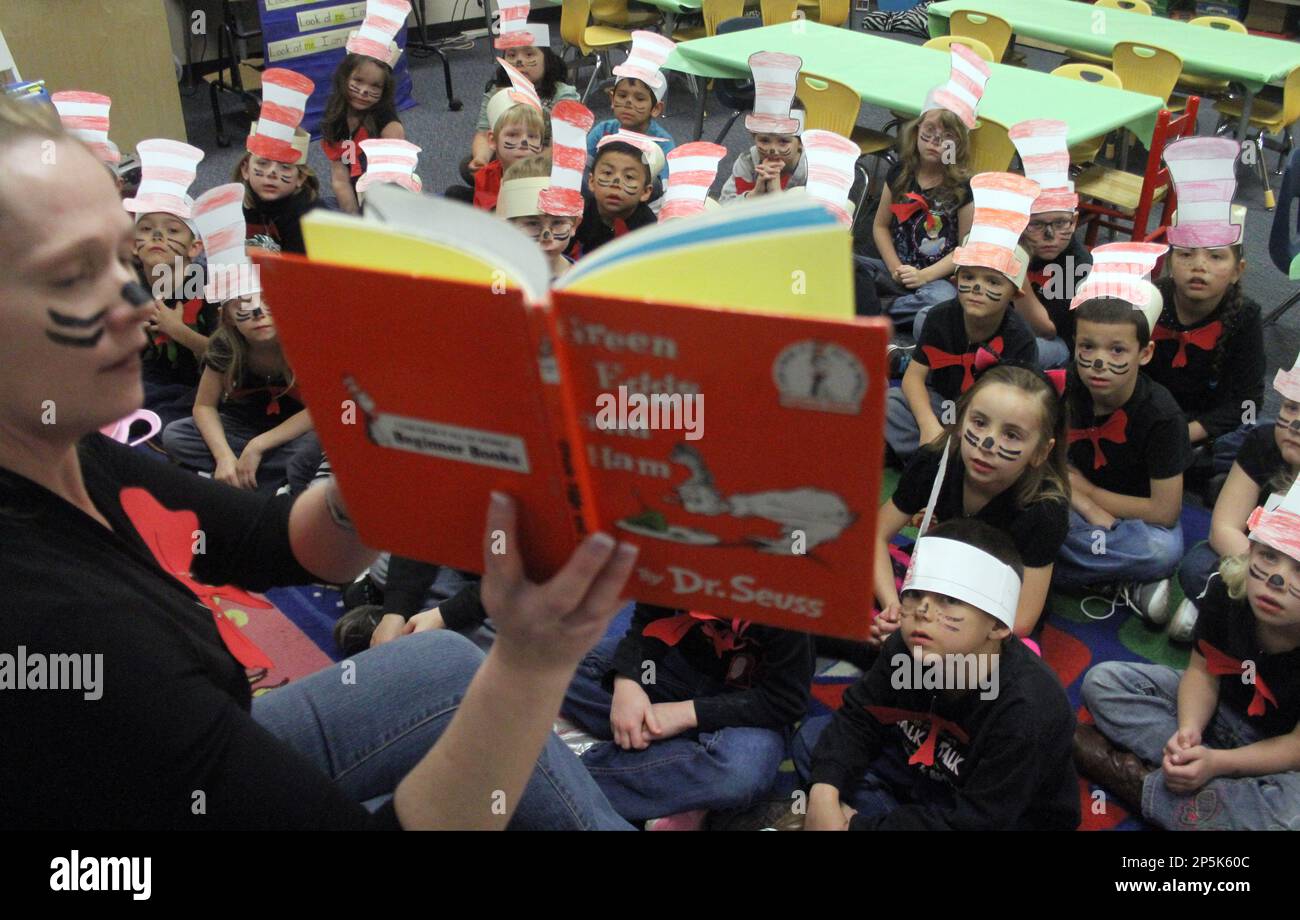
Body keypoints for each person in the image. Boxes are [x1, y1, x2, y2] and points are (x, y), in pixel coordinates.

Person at [0, 91, 636, 831]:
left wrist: (393, 444)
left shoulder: (57, 450)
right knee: (494, 683)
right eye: (73, 276)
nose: (140, 299)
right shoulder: (61, 631)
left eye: (122, 253)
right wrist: (534, 664)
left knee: (446, 667)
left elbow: (284, 540)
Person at [793, 519, 1080, 831]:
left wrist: (856, 827)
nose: (922, 612)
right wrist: (823, 793)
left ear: (997, 626)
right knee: (814, 743)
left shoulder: (1026, 712)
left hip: (1002, 813)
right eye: (915, 594)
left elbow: (980, 821)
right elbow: (859, 716)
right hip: (925, 772)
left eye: (950, 599)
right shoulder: (909, 645)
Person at [1077, 477, 1300, 831]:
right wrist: (1188, 732)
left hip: (1277, 752)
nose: (1275, 579)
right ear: (1251, 549)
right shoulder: (1227, 591)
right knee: (1103, 682)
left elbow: (1295, 746)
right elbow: (1201, 673)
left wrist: (1219, 763)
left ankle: (1141, 784)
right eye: (1269, 555)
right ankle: (1204, 793)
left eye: (1299, 569)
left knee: (1290, 818)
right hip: (1218, 713)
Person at [874, 365, 1070, 644]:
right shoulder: (934, 462)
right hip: (934, 580)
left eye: (1011, 435)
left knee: (1010, 660)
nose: (988, 443)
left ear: (1041, 452)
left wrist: (934, 629)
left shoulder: (1045, 510)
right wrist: (894, 609)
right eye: (979, 422)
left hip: (991, 607)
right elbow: (875, 537)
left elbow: (1022, 620)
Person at [1054, 245, 1189, 622]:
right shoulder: (1066, 386)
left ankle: (1047, 567)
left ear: (1144, 353)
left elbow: (1164, 511)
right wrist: (1083, 502)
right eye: (1087, 347)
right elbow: (1038, 457)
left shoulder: (1162, 416)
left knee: (1163, 550)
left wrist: (1093, 495)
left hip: (1134, 521)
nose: (1099, 363)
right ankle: (1123, 580)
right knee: (1030, 503)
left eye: (1117, 350)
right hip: (1071, 503)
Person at [161, 186, 314, 493]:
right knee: (176, 436)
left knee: (318, 446)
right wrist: (224, 457)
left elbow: (322, 408)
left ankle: (249, 480)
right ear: (228, 315)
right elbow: (204, 407)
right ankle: (254, 478)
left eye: (266, 300)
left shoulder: (303, 340)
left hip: (292, 432)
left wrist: (258, 446)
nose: (257, 312)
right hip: (243, 426)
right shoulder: (225, 344)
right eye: (241, 304)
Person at [885, 172, 1039, 462]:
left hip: (987, 426)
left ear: (1014, 294)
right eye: (969, 277)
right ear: (956, 280)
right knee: (890, 403)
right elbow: (913, 380)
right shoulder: (942, 316)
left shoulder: (1021, 340)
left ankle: (934, 461)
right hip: (942, 405)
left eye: (994, 282)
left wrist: (966, 434)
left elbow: (1016, 414)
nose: (978, 288)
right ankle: (938, 458)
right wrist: (928, 425)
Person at [1147, 137, 1264, 477]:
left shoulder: (1245, 316)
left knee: (1257, 441)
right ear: (1169, 262)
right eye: (1186, 255)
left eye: (1216, 257)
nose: (1200, 266)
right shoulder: (1154, 300)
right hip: (1152, 415)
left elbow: (1248, 403)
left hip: (1206, 425)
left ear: (1236, 271)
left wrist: (1187, 433)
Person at [1170, 351, 1300, 642]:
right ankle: (1229, 611)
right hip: (1249, 559)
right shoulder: (1264, 443)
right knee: (1197, 566)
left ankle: (1219, 609)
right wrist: (1261, 580)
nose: (1295, 425)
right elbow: (1224, 528)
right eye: (1291, 408)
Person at [856, 45, 984, 331]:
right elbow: (880, 227)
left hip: (935, 280)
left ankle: (871, 311)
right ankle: (877, 309)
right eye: (927, 135)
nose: (933, 144)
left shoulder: (963, 188)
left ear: (958, 145)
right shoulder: (900, 172)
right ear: (916, 133)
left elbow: (966, 249)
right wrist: (893, 268)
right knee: (844, 263)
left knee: (943, 303)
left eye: (945, 139)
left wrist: (924, 276)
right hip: (895, 271)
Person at [125, 138, 215, 429]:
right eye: (147, 229)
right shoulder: (131, 285)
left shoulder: (207, 289)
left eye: (173, 230)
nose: (158, 237)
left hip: (205, 386)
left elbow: (230, 358)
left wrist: (177, 331)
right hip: (155, 376)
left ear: (194, 248)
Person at [463, 9, 578, 189]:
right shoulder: (497, 91)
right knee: (467, 167)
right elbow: (485, 133)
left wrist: (527, 166)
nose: (519, 61)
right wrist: (481, 159)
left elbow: (563, 146)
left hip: (547, 160)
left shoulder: (563, 94)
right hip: (509, 155)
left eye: (529, 54)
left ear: (546, 60)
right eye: (511, 55)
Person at [1008, 118, 1089, 369]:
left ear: (1074, 221)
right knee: (930, 316)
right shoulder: (1016, 242)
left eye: (1061, 223)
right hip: (1006, 325)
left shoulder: (1078, 264)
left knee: (1021, 351)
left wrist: (1016, 275)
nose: (1050, 235)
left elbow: (1047, 329)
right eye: (1037, 225)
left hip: (1055, 344)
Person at [320, 0, 408, 215]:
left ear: (385, 89)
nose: (364, 91)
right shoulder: (336, 114)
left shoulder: (387, 122)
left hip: (385, 195)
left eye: (375, 86)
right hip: (354, 192)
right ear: (344, 77)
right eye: (358, 81)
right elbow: (340, 178)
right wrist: (353, 217)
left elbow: (394, 178)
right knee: (316, 209)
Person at [234, 69, 320, 255]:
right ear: (245, 169)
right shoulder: (242, 203)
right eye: (263, 163)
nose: (272, 173)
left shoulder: (305, 218)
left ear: (300, 178)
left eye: (285, 167)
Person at [586, 30, 676, 184]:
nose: (628, 102)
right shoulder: (602, 132)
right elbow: (583, 169)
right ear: (612, 99)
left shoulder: (662, 143)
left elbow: (662, 186)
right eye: (622, 96)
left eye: (639, 98)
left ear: (656, 109)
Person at [719, 52, 807, 203]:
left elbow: (822, 216)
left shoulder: (810, 169)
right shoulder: (748, 162)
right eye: (764, 140)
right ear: (754, 137)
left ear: (800, 143)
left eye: (783, 141)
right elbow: (724, 204)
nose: (773, 149)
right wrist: (755, 194)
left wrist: (777, 195)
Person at [571, 133, 661, 257]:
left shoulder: (648, 229)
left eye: (629, 177)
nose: (616, 183)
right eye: (608, 173)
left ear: (645, 192)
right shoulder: (578, 215)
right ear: (591, 181)